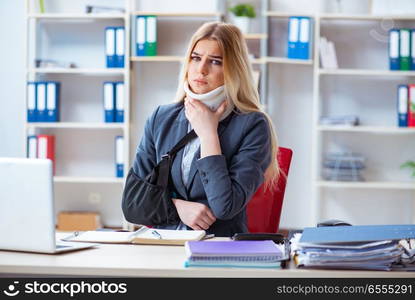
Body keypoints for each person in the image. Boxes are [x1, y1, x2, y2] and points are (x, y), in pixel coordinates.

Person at [124, 21, 280, 237]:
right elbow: (132, 204)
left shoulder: (252, 125)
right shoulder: (162, 117)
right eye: (196, 58)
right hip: (164, 245)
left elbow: (224, 206)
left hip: (219, 248)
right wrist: (177, 208)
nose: (201, 69)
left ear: (233, 70)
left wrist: (208, 135)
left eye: (215, 61)